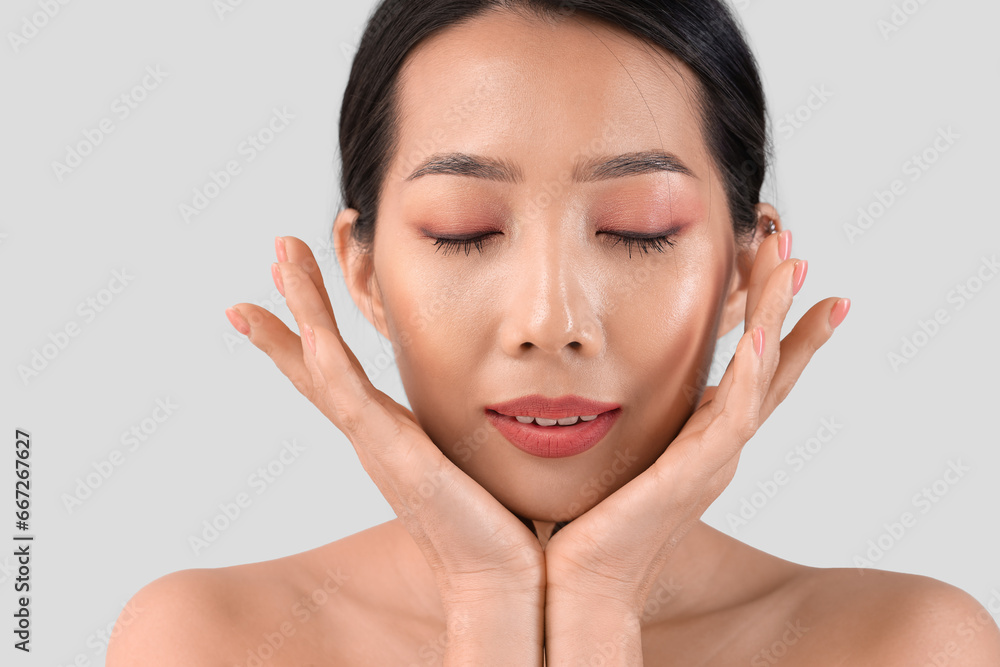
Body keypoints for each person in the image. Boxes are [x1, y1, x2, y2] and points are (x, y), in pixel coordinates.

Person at [107, 1, 1000, 664]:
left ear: (743, 269)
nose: (550, 323)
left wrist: (600, 606)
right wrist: (488, 598)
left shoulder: (908, 644)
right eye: (464, 229)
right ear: (365, 272)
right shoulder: (205, 639)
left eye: (639, 229)